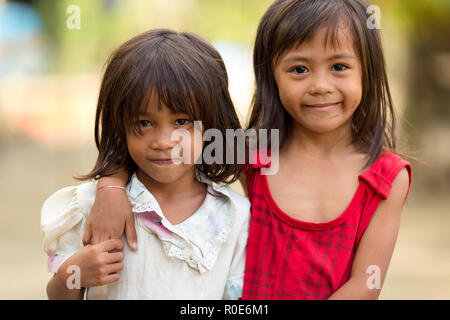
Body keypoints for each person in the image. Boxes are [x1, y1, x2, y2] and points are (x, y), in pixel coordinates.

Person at [85, 0, 412, 300]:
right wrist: (112, 184)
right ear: (272, 76)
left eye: (339, 66)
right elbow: (161, 150)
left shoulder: (385, 178)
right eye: (299, 69)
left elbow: (366, 285)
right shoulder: (251, 152)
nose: (320, 85)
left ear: (367, 71)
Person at [41, 29, 250, 300]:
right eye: (144, 123)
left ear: (211, 123)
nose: (163, 141)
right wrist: (73, 273)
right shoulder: (91, 208)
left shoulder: (234, 216)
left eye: (181, 121)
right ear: (121, 126)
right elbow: (57, 296)